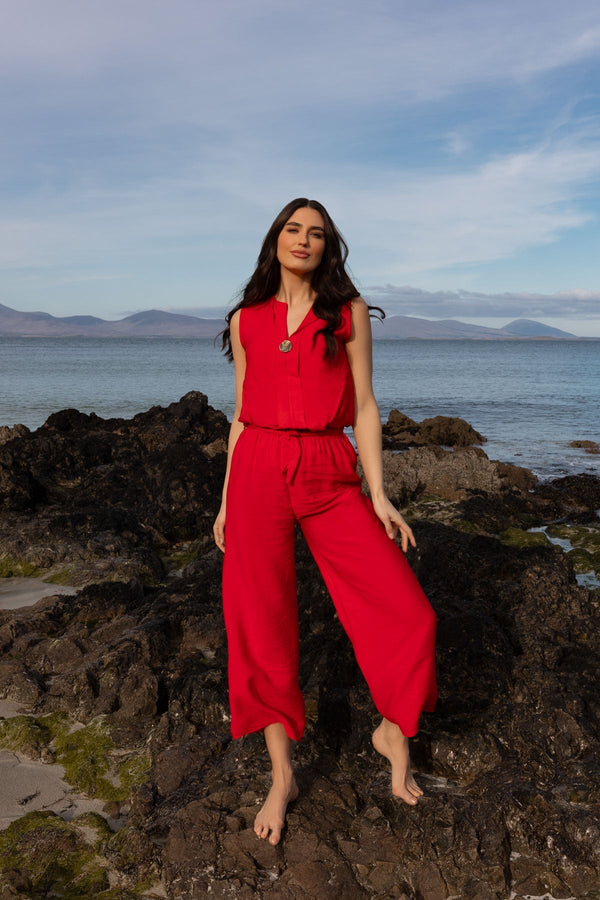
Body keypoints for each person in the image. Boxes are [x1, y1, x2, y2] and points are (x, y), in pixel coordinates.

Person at [213, 198, 437, 846]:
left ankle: (393, 726)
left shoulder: (348, 315)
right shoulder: (247, 319)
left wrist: (379, 494)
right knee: (260, 622)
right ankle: (281, 776)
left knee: (408, 610)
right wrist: (227, 500)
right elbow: (241, 415)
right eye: (293, 230)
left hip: (326, 468)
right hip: (257, 468)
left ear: (328, 246)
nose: (303, 240)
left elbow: (365, 405)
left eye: (316, 233)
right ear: (276, 239)